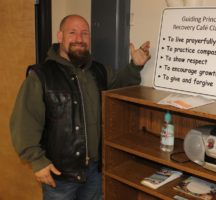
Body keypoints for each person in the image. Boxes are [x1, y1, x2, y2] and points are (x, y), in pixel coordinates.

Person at [10, 14, 151, 200]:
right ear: (60, 37)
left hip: (95, 171)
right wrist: (37, 161)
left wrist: (135, 66)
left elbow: (121, 85)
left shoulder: (99, 70)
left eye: (84, 33)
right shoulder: (41, 76)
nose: (79, 39)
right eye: (72, 33)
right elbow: (24, 122)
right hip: (60, 175)